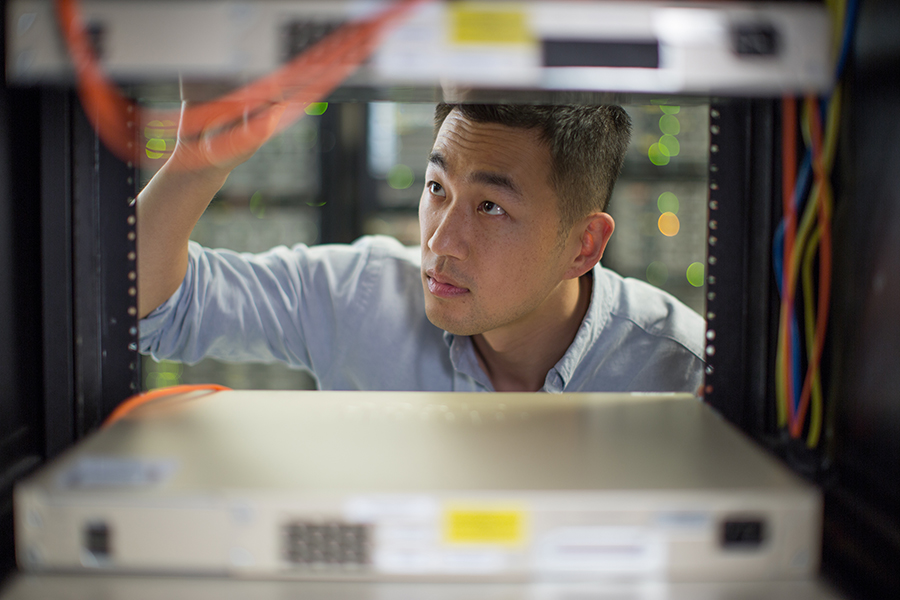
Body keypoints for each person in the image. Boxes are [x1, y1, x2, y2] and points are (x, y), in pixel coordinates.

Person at [138, 102, 705, 393]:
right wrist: (198, 159)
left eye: (490, 207)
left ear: (584, 245)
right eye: (438, 189)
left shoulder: (681, 373)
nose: (438, 240)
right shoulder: (362, 295)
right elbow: (148, 310)